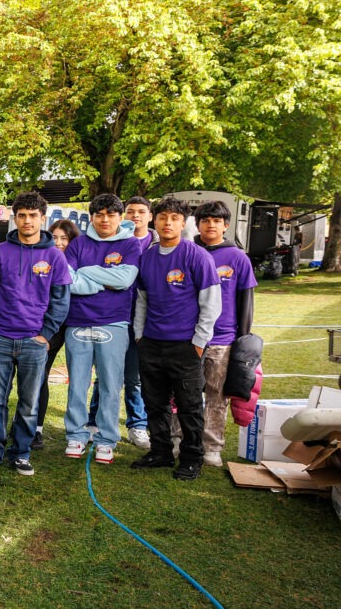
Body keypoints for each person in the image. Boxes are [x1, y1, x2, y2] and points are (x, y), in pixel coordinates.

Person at [0, 191, 71, 476]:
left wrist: (45, 335)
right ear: (15, 218)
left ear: (43, 219)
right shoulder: (1, 252)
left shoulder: (54, 256)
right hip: (0, 339)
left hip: (34, 341)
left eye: (33, 216)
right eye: (22, 216)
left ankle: (21, 452)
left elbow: (61, 299)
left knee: (29, 403)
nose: (27, 221)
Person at [130, 198, 221, 480]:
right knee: (154, 403)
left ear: (184, 223)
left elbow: (211, 304)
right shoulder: (147, 257)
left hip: (185, 346)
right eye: (162, 217)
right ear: (154, 221)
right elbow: (142, 301)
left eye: (174, 218)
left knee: (189, 405)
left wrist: (198, 343)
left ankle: (192, 457)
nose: (168, 223)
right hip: (151, 344)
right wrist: (140, 335)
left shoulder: (196, 256)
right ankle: (160, 451)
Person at [61, 195, 142, 466]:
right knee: (78, 384)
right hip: (78, 321)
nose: (104, 219)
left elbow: (125, 279)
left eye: (111, 214)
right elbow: (68, 281)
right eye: (99, 214)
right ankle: (76, 434)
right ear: (92, 217)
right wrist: (102, 281)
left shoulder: (131, 244)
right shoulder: (79, 243)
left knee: (110, 383)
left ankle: (106, 439)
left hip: (114, 322)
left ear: (120, 217)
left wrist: (88, 271)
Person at [89, 196, 156, 449]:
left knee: (134, 376)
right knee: (104, 374)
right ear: (123, 215)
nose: (135, 216)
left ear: (150, 216)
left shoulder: (157, 244)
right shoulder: (112, 240)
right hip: (111, 315)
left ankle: (137, 425)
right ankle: (93, 421)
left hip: (144, 320)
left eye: (141, 212)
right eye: (130, 211)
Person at [193, 200, 256, 467]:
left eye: (216, 221)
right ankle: (179, 439)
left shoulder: (238, 258)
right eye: (205, 220)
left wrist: (242, 338)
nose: (211, 225)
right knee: (182, 393)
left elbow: (246, 301)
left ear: (226, 225)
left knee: (216, 395)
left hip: (223, 339)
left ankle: (212, 447)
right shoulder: (188, 251)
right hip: (189, 338)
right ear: (197, 225)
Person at [35, 218, 80, 449]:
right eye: (56, 237)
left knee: (40, 373)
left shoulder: (75, 261)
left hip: (57, 327)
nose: (59, 242)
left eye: (65, 238)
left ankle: (36, 428)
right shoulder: (42, 258)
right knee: (29, 375)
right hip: (32, 324)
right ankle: (22, 422)